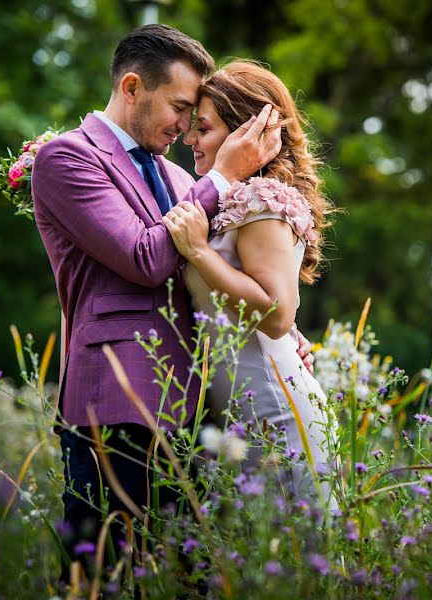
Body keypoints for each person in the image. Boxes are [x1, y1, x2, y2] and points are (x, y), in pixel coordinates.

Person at [30, 25, 312, 577]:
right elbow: (145, 257)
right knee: (107, 576)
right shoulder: (67, 159)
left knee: (188, 582)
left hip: (198, 414)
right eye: (180, 107)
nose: (186, 127)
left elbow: (215, 269)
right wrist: (227, 175)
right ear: (132, 87)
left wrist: (280, 329)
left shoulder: (180, 176)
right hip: (115, 404)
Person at [163, 60, 337, 502]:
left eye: (202, 128)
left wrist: (199, 252)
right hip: (236, 422)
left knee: (297, 559)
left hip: (275, 412)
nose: (188, 139)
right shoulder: (230, 203)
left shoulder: (262, 198)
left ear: (246, 133)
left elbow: (277, 315)